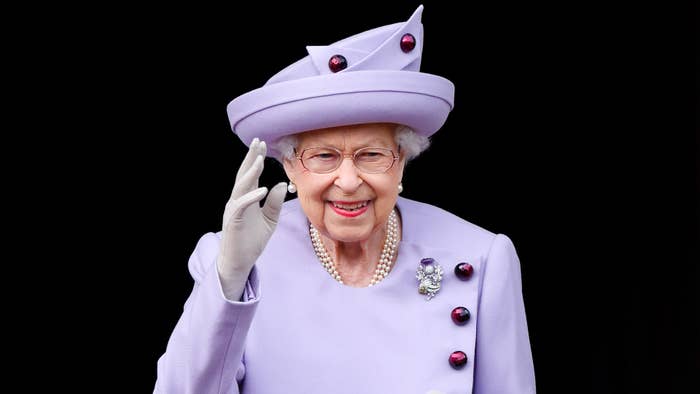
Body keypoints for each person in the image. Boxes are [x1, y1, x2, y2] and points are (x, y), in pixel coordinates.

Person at [155, 5, 535, 393]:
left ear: (401, 160)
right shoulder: (230, 259)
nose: (349, 181)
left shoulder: (481, 256)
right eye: (324, 157)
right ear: (289, 166)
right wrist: (230, 280)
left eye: (372, 155)